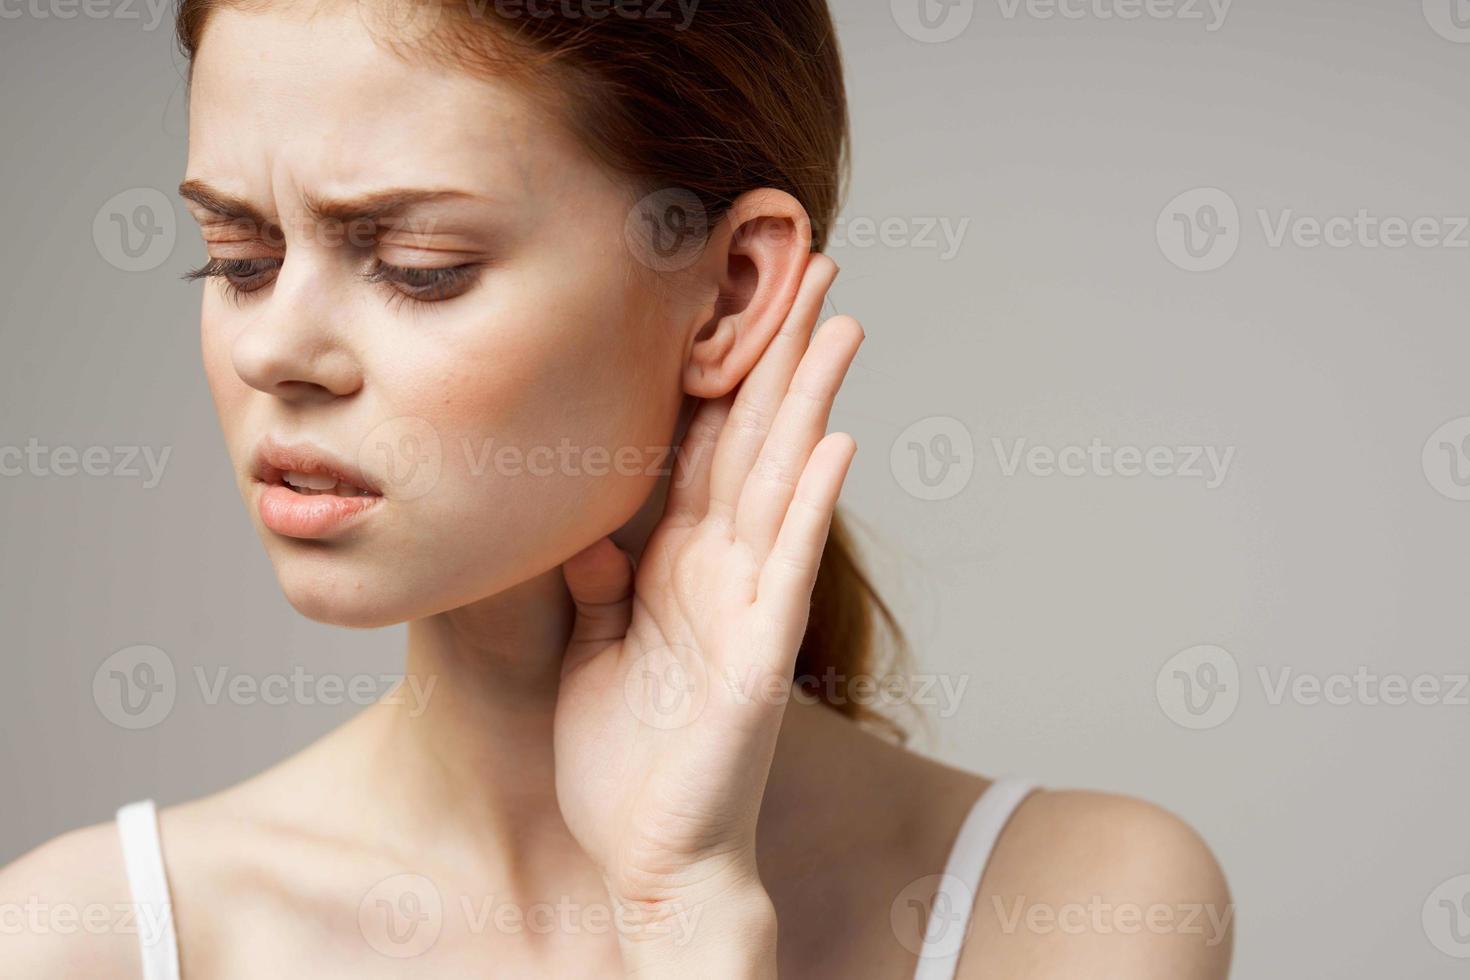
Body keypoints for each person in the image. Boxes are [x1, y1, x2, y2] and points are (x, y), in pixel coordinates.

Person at [0, 1, 1232, 976]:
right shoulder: (82, 940)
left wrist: (684, 912)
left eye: (418, 265)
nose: (273, 349)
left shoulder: (1082, 907)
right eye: (240, 258)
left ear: (733, 292)